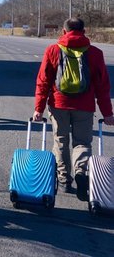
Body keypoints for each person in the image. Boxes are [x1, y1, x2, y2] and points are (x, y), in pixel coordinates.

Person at [33, 17, 114, 201]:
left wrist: (38, 108)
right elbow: (102, 87)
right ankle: (81, 172)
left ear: (63, 32)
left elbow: (43, 82)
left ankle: (64, 180)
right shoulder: (95, 53)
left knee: (61, 141)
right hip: (84, 106)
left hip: (58, 104)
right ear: (84, 31)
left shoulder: (53, 50)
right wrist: (107, 113)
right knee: (82, 143)